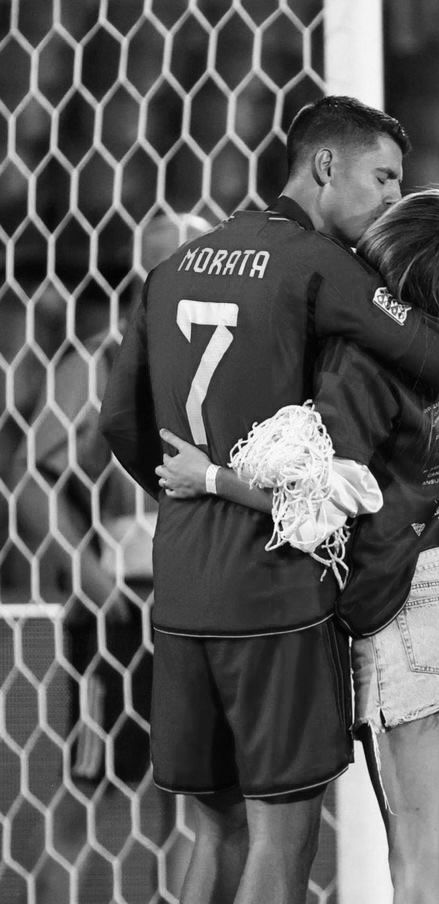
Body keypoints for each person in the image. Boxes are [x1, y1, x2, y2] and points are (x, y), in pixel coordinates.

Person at [156, 69, 439, 904]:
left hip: (409, 606)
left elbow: (319, 504)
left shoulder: (357, 363)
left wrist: (212, 477)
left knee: (417, 868)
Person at [9, 212, 212, 902]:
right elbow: (30, 476)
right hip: (119, 606)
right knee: (90, 787)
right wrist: (84, 568)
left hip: (203, 599)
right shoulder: (95, 362)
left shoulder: (226, 362)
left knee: (191, 793)